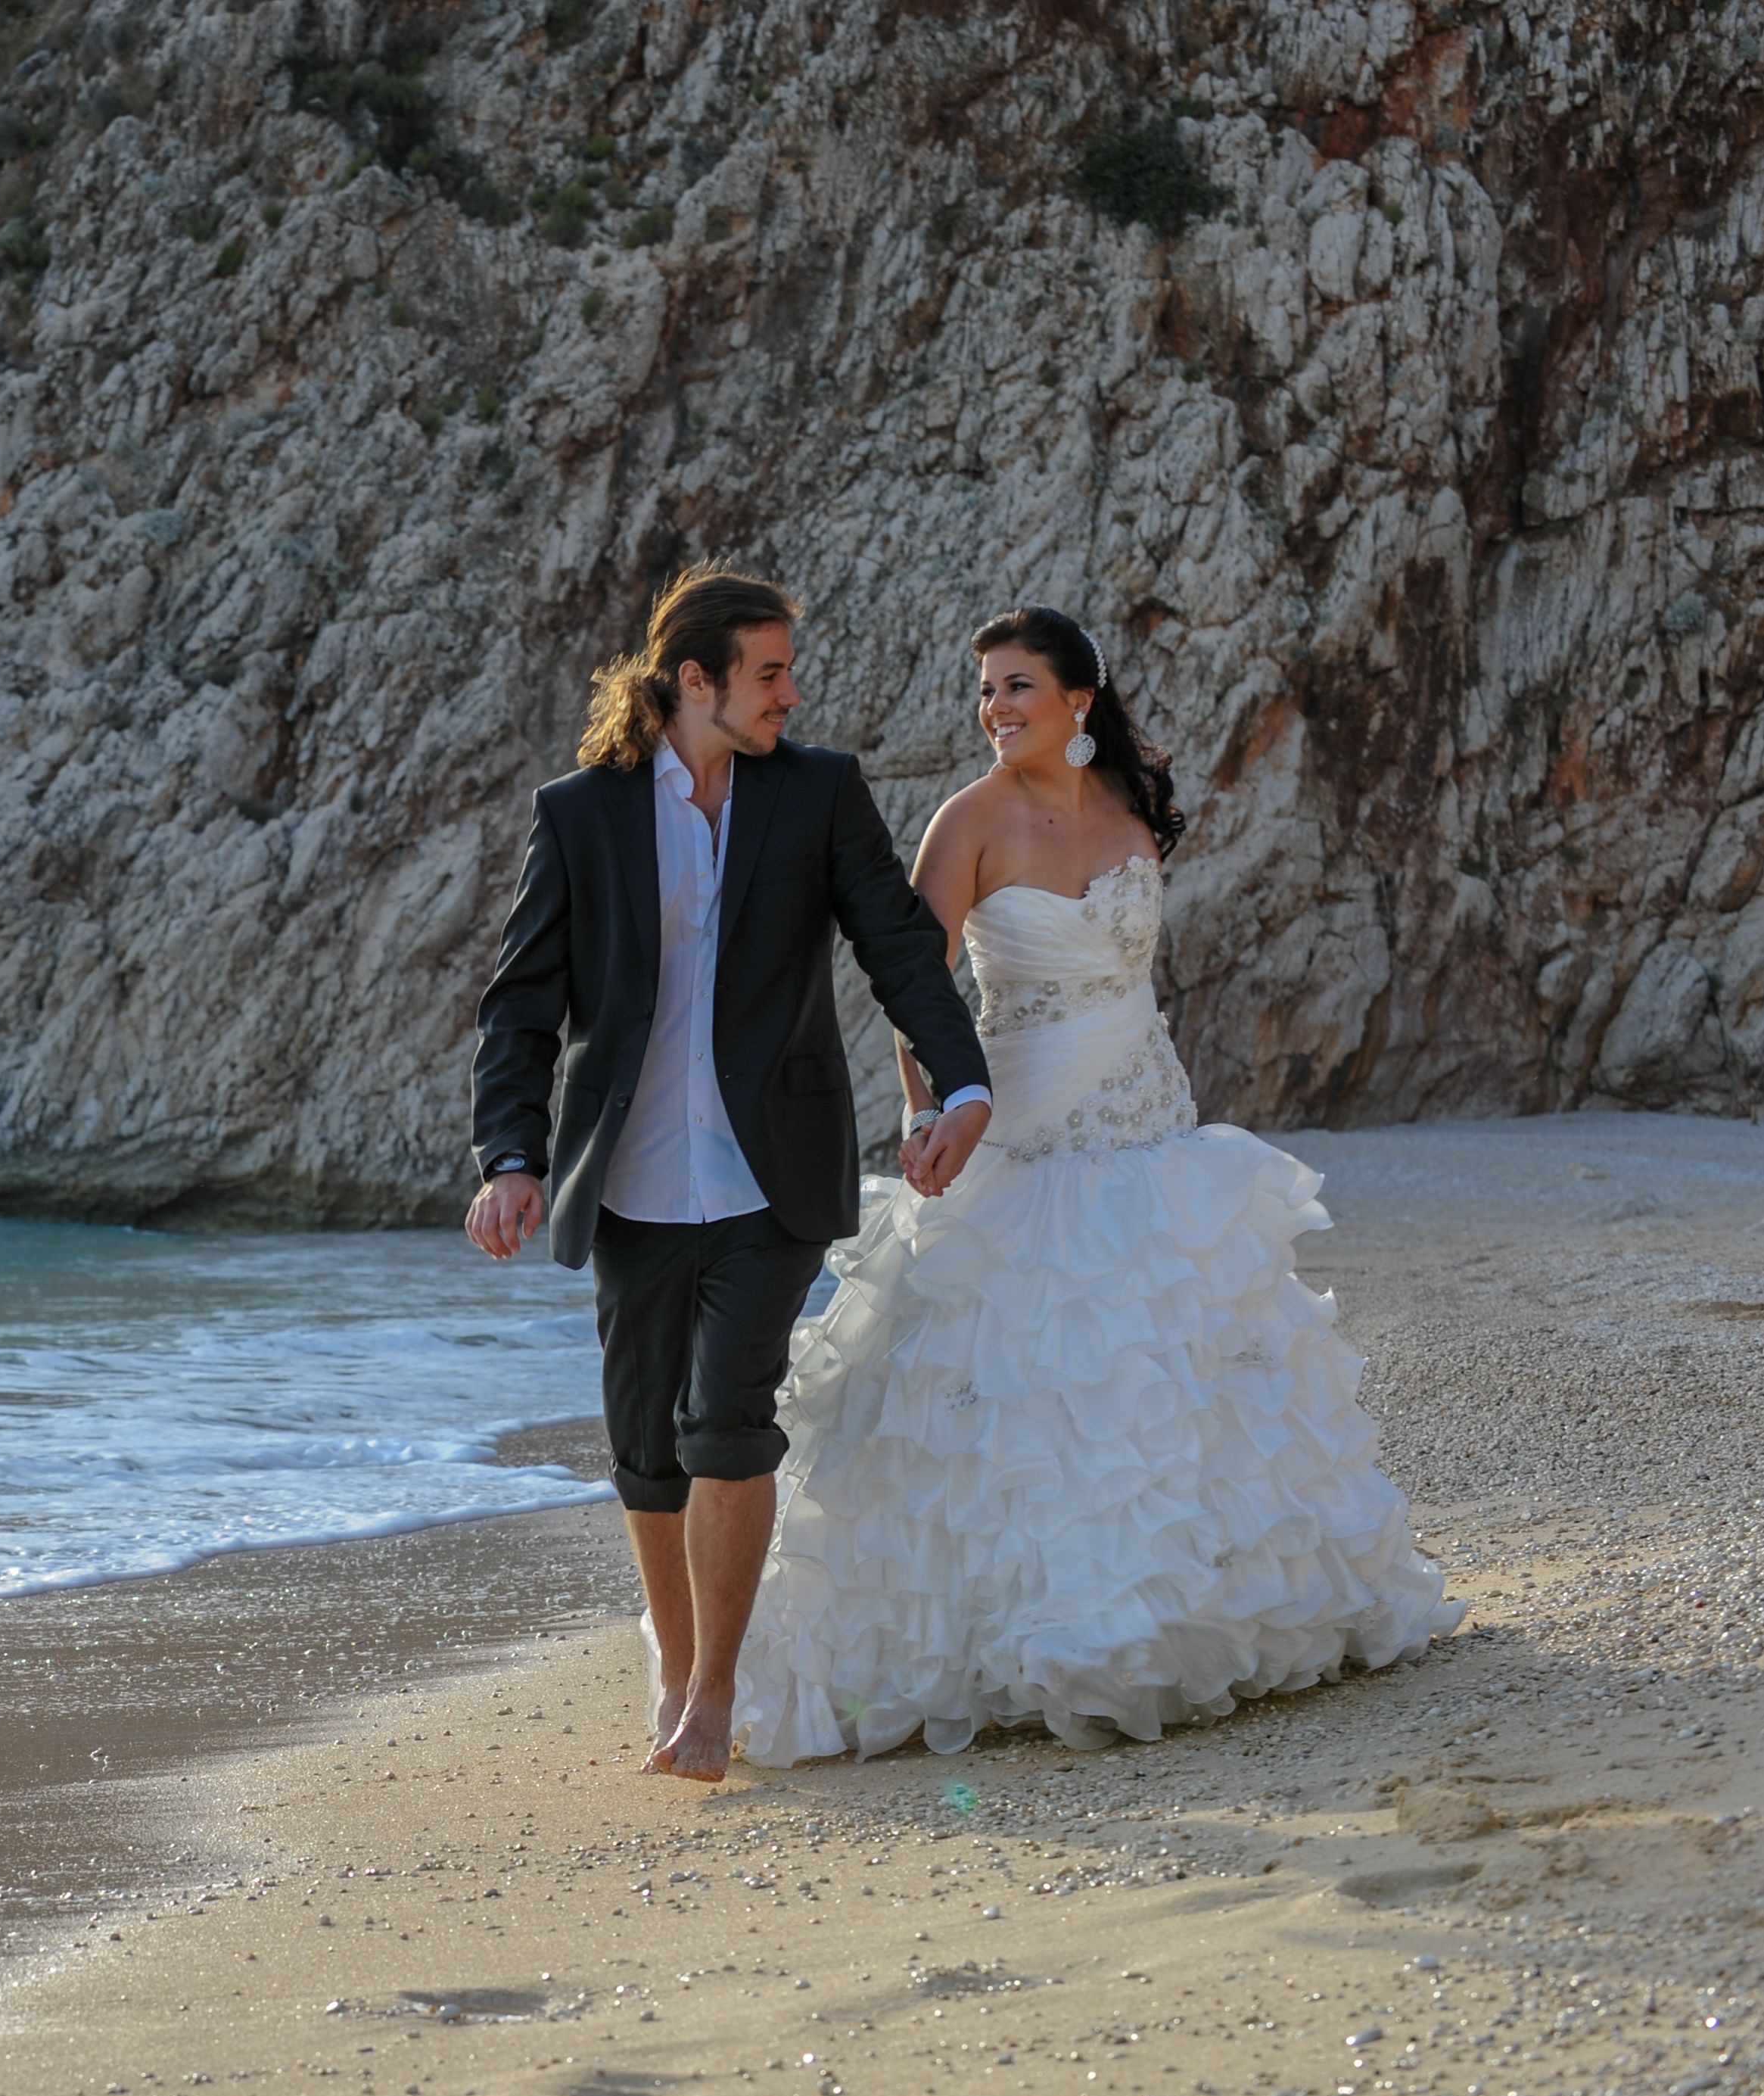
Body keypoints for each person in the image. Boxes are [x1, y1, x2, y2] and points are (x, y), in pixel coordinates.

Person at [727, 606, 1460, 1764]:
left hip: (1149, 1118)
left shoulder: (1131, 815)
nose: (996, 708)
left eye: (1017, 685)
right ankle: (1036, 1636)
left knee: (1177, 1362)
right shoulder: (964, 822)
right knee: (1034, 1378)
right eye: (985, 690)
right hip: (1017, 1129)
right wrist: (930, 1112)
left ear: (1079, 697)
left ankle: (1208, 1611)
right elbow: (914, 985)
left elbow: (1131, 979)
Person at [465, 563, 994, 1781]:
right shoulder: (583, 813)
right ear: (693, 680)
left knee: (729, 1425)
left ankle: (714, 1693)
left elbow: (900, 952)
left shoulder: (817, 795)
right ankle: (673, 1650)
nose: (790, 696)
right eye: (770, 673)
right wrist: (511, 1158)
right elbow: (522, 1009)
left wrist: (962, 1087)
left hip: (773, 1173)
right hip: (631, 1181)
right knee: (646, 1452)